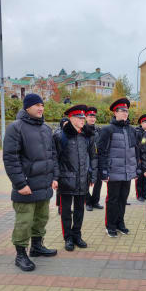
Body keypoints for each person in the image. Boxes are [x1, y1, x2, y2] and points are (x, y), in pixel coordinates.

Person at [3, 93, 58, 272]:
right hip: (26, 186)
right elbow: (11, 159)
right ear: (27, 107)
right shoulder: (16, 128)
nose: (41, 108)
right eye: (36, 105)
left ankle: (36, 246)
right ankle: (20, 254)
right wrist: (20, 184)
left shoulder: (46, 129)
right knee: (24, 222)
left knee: (41, 218)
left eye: (42, 105)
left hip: (44, 184)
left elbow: (53, 155)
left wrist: (54, 177)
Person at [54, 105, 97, 251]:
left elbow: (93, 156)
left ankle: (77, 235)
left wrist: (92, 175)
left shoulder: (87, 135)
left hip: (83, 179)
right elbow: (55, 159)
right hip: (66, 179)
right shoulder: (61, 136)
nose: (83, 121)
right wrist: (55, 177)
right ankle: (68, 238)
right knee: (66, 211)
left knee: (80, 209)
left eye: (83, 118)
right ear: (71, 118)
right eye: (79, 118)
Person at [97, 98, 139, 237]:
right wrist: (103, 171)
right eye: (122, 111)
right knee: (113, 200)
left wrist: (136, 169)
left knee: (123, 199)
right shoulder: (108, 130)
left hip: (127, 172)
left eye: (127, 111)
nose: (125, 113)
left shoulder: (131, 130)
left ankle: (120, 223)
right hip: (114, 171)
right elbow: (101, 152)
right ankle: (110, 226)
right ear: (115, 113)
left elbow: (135, 150)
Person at [85, 107, 104, 211]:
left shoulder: (98, 130)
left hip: (98, 159)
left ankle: (95, 201)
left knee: (98, 182)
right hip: (88, 159)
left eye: (94, 117)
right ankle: (88, 202)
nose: (92, 119)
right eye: (90, 116)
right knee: (86, 182)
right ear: (86, 117)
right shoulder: (83, 130)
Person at [54, 117, 69, 215]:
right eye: (65, 123)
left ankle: (65, 207)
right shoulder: (57, 135)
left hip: (68, 166)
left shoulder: (70, 134)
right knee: (60, 189)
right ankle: (60, 207)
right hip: (60, 165)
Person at [135, 114, 146, 202]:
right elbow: (137, 146)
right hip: (139, 159)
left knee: (145, 178)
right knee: (139, 178)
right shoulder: (138, 132)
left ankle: (144, 194)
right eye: (145, 122)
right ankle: (139, 194)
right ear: (141, 123)